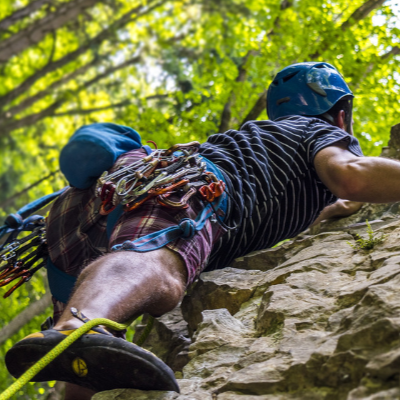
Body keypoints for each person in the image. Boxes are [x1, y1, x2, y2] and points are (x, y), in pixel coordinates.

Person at [6, 61, 399, 399]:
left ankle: (73, 341)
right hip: (185, 189)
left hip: (86, 208)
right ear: (340, 114)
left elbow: (339, 204)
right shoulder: (319, 133)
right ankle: (77, 324)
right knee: (159, 268)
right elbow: (350, 177)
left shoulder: (269, 148)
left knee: (83, 358)